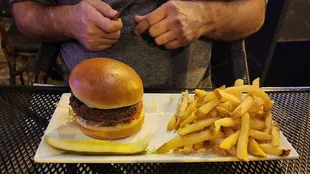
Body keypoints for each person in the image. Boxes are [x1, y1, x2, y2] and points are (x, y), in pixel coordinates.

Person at [11, 0, 266, 88]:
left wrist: (205, 16)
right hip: (81, 109)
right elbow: (24, 13)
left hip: (188, 107)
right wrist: (68, 20)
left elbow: (254, 12)